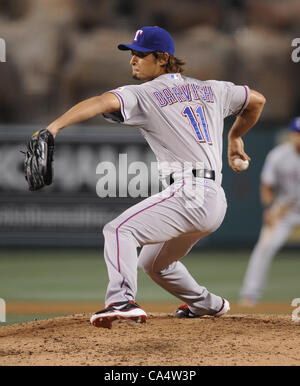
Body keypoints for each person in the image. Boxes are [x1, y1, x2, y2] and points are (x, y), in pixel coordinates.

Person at [45, 26, 266, 328]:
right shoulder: (212, 89)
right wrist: (235, 137)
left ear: (162, 58)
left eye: (140, 54)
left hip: (190, 192)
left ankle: (121, 301)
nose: (133, 60)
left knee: (118, 230)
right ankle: (208, 305)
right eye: (131, 54)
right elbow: (257, 100)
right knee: (153, 263)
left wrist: (53, 128)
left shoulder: (145, 94)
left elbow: (99, 102)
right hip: (213, 200)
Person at [239, 117, 300, 306]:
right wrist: (269, 209)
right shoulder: (278, 155)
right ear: (291, 135)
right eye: (297, 134)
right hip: (285, 210)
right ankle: (250, 294)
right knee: (264, 247)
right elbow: (267, 185)